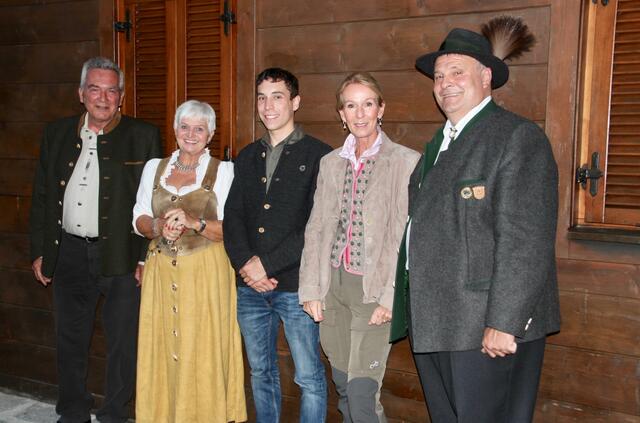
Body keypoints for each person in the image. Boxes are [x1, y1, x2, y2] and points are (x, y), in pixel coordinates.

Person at [390, 18, 561, 423]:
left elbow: (526, 240)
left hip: (485, 329)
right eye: (438, 76)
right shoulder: (440, 145)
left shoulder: (516, 138)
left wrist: (504, 322)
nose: (445, 83)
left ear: (486, 77)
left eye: (456, 73)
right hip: (439, 322)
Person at [29, 57, 162, 423]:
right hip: (68, 251)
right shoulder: (56, 133)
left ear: (121, 96)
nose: (103, 97)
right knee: (69, 338)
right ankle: (72, 411)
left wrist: (144, 259)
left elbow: (153, 201)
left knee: (123, 342)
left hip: (121, 254)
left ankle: (114, 414)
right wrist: (41, 252)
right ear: (81, 94)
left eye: (111, 90)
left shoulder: (143, 135)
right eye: (95, 88)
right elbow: (41, 195)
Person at [299, 72, 420, 422]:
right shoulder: (330, 162)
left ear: (381, 108)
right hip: (331, 288)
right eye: (351, 105)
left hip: (373, 290)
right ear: (341, 114)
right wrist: (311, 289)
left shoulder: (404, 161)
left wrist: (390, 296)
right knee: (344, 390)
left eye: (368, 104)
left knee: (363, 394)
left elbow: (403, 233)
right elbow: (318, 228)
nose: (360, 113)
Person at [223, 67, 331, 422]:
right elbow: (233, 217)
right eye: (262, 97)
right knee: (260, 373)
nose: (268, 106)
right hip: (249, 288)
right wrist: (246, 266)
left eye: (278, 96)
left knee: (310, 378)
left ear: (295, 102)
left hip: (297, 287)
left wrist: (265, 266)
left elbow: (316, 226)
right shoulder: (246, 156)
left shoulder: (319, 156)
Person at [132, 100, 246, 422]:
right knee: (162, 347)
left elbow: (234, 230)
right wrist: (156, 227)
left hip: (205, 272)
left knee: (202, 349)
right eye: (185, 126)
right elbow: (138, 215)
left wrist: (195, 223)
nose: (191, 134)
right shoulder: (155, 167)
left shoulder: (224, 171)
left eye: (199, 128)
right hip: (160, 270)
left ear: (210, 134)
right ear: (175, 129)